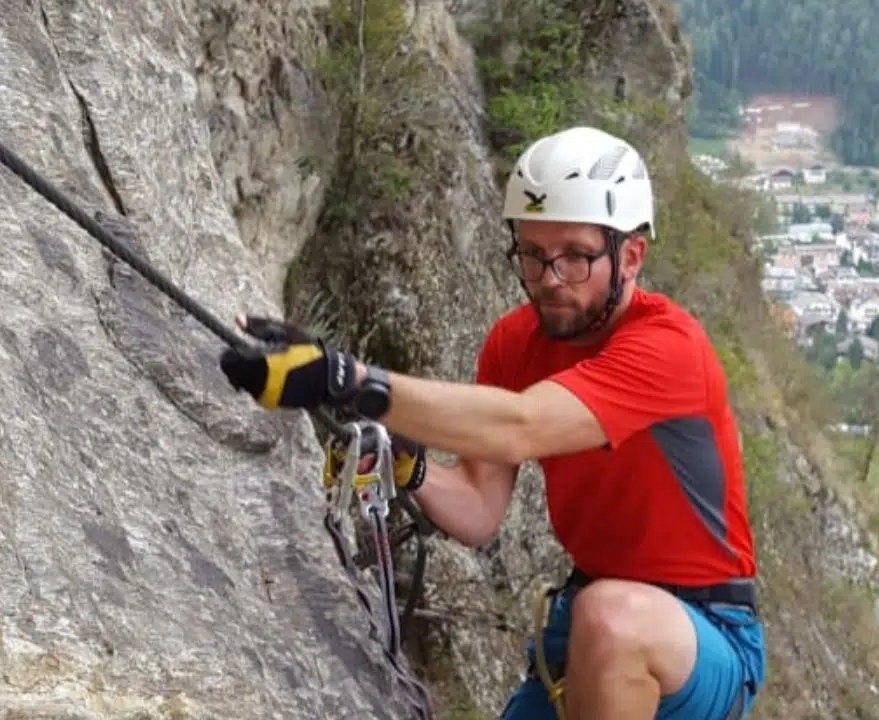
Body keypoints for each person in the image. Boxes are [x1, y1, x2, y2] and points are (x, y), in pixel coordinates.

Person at [218, 125, 766, 719]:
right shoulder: (516, 342)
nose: (550, 279)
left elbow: (521, 426)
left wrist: (346, 381)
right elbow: (480, 510)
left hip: (699, 637)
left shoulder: (668, 349)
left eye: (576, 257)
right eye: (532, 255)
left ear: (630, 256)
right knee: (603, 614)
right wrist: (413, 468)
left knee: (614, 617)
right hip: (587, 627)